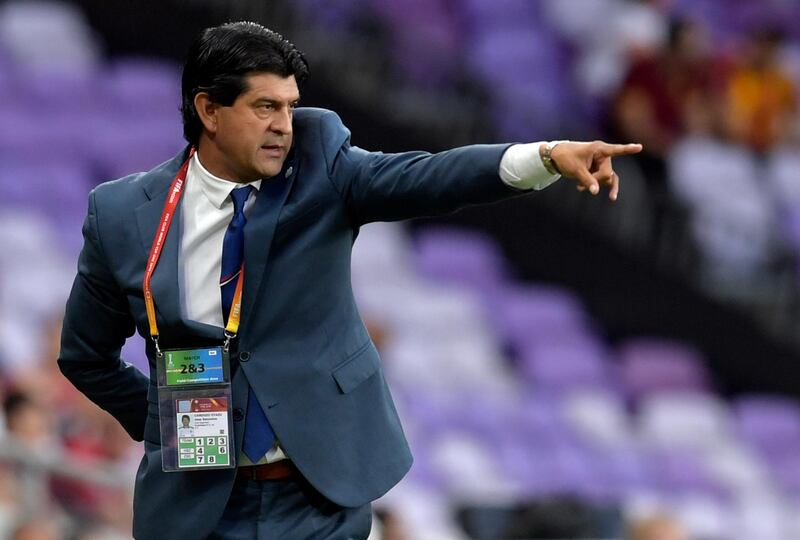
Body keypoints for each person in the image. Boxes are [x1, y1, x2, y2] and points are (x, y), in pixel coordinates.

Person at [58, 21, 641, 540]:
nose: (283, 125)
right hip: (201, 503)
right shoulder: (121, 214)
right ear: (209, 110)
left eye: (289, 106)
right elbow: (86, 356)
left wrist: (544, 156)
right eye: (265, 107)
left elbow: (427, 177)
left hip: (318, 495)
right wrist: (168, 422)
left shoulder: (319, 164)